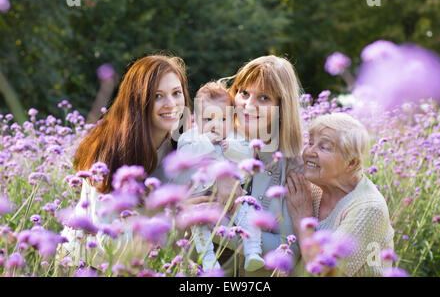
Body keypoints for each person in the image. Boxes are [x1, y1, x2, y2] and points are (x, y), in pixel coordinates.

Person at [56, 54, 201, 266]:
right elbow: (108, 243)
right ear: (138, 100)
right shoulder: (109, 150)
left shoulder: (181, 145)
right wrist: (174, 215)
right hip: (86, 263)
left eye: (176, 93)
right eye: (158, 96)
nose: (171, 104)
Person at [214, 55, 305, 276]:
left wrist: (215, 228)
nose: (248, 105)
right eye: (244, 93)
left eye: (264, 98)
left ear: (282, 108)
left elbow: (287, 248)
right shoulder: (211, 142)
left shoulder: (292, 167)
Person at [286, 112, 395, 276]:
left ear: (351, 163)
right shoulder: (315, 185)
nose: (309, 151)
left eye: (324, 147)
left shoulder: (368, 208)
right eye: (310, 143)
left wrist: (303, 220)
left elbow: (325, 272)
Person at [176, 81, 265, 272]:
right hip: (203, 197)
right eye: (208, 119)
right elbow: (185, 156)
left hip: (234, 197)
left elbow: (248, 155)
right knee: (199, 227)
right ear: (196, 120)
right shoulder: (190, 137)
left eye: (223, 120)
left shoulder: (235, 137)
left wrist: (231, 148)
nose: (216, 126)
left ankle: (253, 251)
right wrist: (207, 142)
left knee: (249, 215)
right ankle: (209, 262)